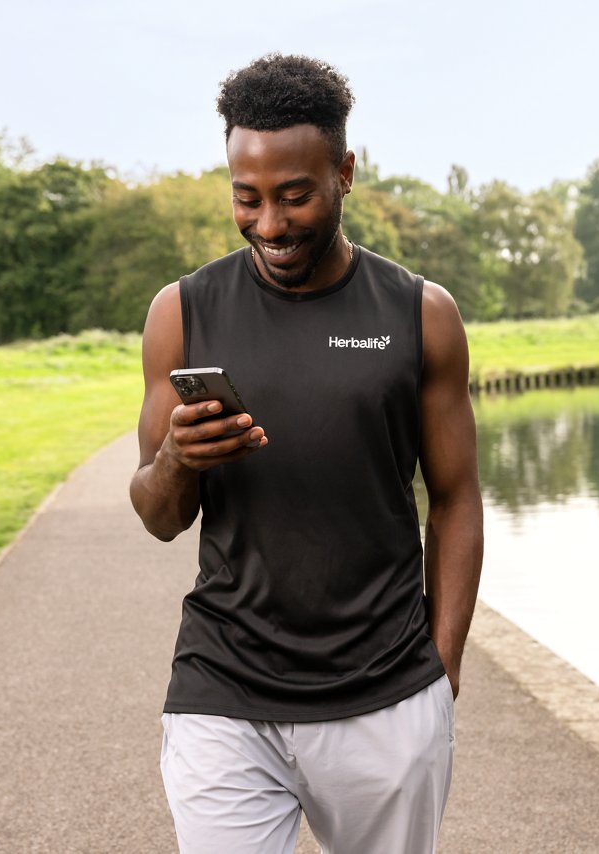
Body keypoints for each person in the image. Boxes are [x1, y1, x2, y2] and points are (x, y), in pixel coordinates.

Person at [129, 53, 483, 854]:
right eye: (245, 198)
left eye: (294, 196)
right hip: (223, 688)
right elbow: (157, 516)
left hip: (386, 696)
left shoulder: (421, 315)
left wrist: (444, 666)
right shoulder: (180, 313)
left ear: (345, 173)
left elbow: (457, 496)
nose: (269, 223)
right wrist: (179, 461)